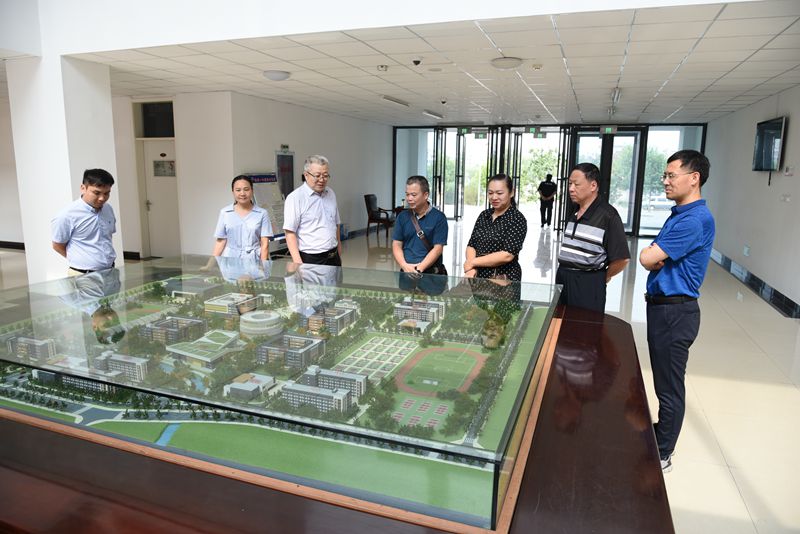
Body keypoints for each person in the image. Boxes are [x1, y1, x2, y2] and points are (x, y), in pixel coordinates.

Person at [639, 150, 715, 473]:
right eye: (665, 175)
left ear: (694, 178)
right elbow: (652, 256)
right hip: (664, 309)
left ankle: (664, 453)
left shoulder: (695, 220)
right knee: (663, 383)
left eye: (672, 175)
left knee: (669, 388)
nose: (665, 181)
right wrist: (654, 256)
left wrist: (653, 256)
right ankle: (660, 436)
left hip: (675, 313)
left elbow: (647, 257)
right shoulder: (680, 214)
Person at [556, 163, 630, 312]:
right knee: (560, 322)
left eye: (576, 184)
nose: (571, 189)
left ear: (593, 186)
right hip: (563, 278)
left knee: (585, 324)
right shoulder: (574, 210)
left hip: (587, 284)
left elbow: (622, 259)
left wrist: (601, 277)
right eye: (570, 184)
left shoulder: (608, 215)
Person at [51, 168, 117, 275]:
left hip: (110, 271)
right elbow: (57, 245)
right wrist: (80, 261)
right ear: (83, 188)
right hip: (83, 275)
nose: (102, 198)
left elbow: (107, 237)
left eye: (106, 193)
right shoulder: (67, 215)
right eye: (96, 193)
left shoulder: (108, 209)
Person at [465, 174, 527, 281]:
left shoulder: (517, 218)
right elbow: (472, 245)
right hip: (478, 276)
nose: (494, 197)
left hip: (503, 278)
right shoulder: (484, 215)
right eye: (490, 193)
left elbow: (507, 255)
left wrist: (472, 262)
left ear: (512, 192)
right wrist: (471, 268)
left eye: (499, 193)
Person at [283, 155, 342, 266]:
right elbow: (290, 232)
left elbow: (336, 224)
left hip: (333, 256)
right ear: (306, 175)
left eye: (325, 175)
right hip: (311, 259)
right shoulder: (295, 198)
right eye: (317, 176)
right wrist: (298, 264)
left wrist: (339, 250)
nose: (322, 180)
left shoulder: (330, 193)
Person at [392, 175, 448, 275]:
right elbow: (397, 244)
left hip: (430, 274)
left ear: (425, 195)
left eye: (413, 195)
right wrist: (404, 265)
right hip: (406, 271)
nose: (409, 198)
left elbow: (438, 248)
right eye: (407, 194)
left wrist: (418, 269)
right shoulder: (402, 217)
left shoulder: (439, 218)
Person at [212, 175, 272, 262]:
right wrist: (209, 265)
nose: (242, 193)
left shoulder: (262, 213)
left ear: (252, 191)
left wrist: (263, 265)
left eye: (246, 189)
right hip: (231, 259)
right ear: (233, 192)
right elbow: (220, 241)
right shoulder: (225, 213)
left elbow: (265, 243)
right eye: (238, 190)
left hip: (254, 260)